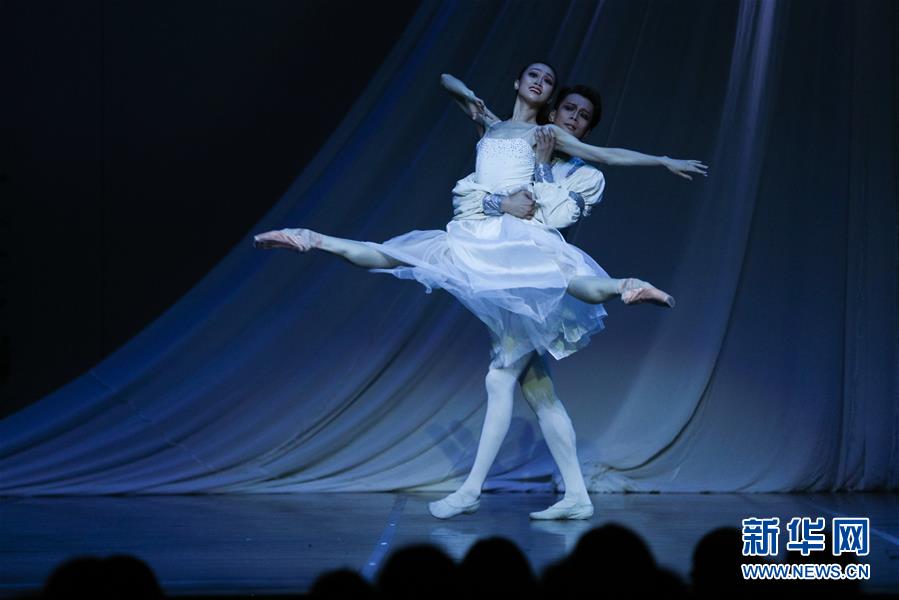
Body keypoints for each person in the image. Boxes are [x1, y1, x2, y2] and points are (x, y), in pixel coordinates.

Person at [253, 62, 708, 519]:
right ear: (528, 90)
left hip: (523, 255)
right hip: (483, 243)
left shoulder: (567, 158)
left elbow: (601, 163)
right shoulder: (496, 126)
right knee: (537, 388)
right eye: (543, 85)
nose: (566, 110)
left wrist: (661, 161)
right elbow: (447, 83)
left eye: (578, 110)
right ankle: (577, 497)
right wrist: (472, 101)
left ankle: (472, 488)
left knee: (505, 362)